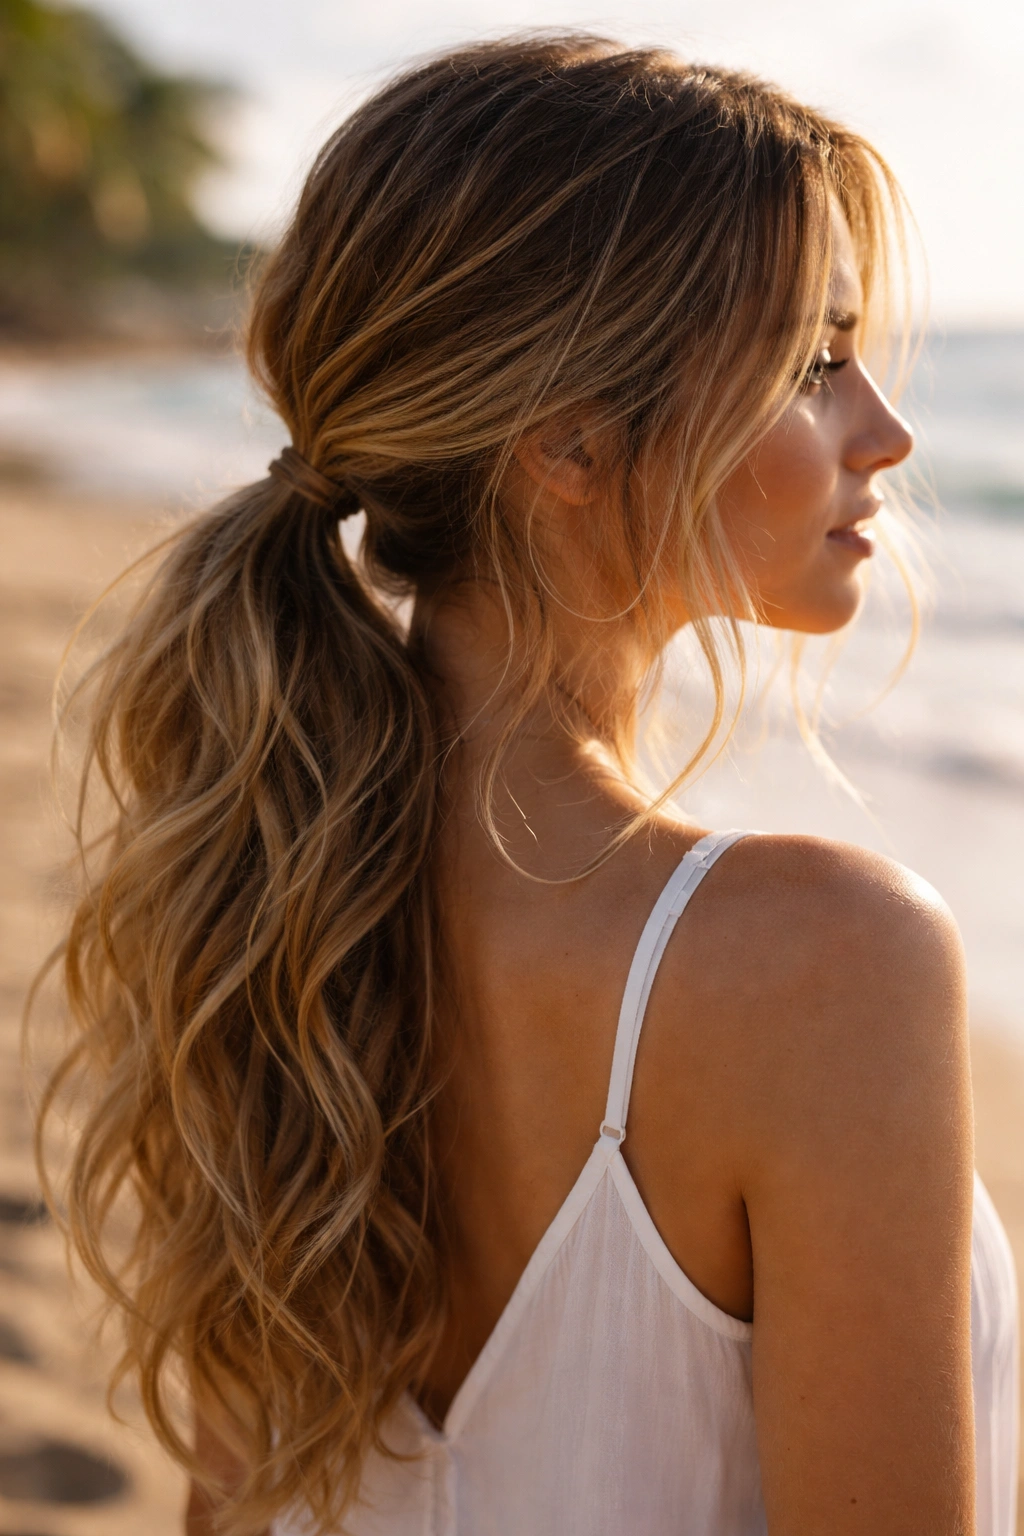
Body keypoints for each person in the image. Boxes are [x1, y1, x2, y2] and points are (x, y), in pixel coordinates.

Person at [39, 34, 1017, 1536]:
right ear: (567, 439)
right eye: (813, 363)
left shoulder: (251, 899)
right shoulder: (827, 961)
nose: (885, 430)